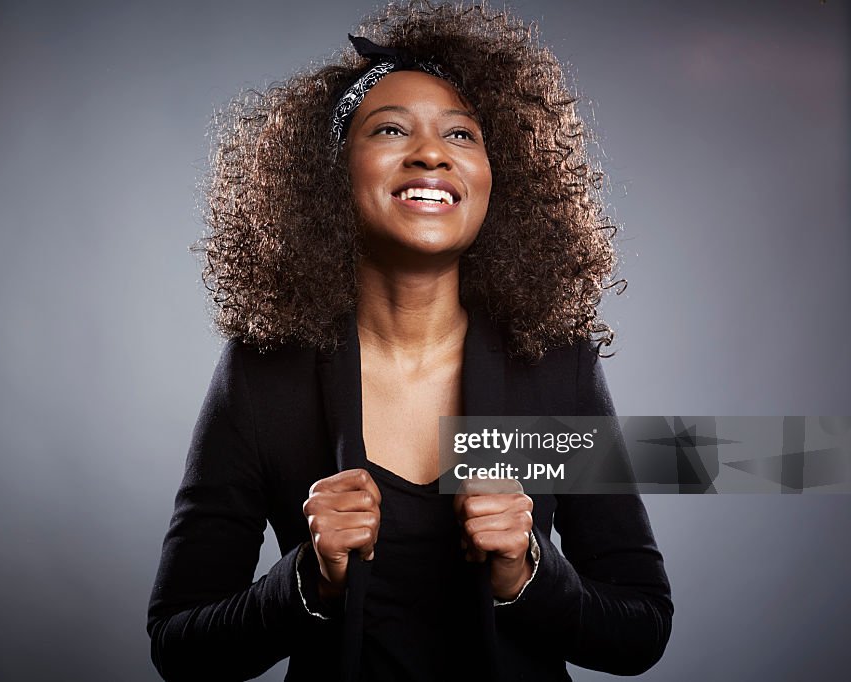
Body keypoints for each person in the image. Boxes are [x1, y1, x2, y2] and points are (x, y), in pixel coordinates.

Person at [147, 2, 672, 680]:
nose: (431, 153)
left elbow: (640, 629)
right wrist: (309, 580)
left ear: (492, 180)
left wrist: (527, 573)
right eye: (390, 129)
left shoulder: (549, 366)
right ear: (333, 176)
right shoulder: (265, 374)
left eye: (462, 135)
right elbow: (180, 644)